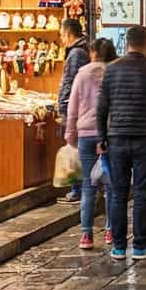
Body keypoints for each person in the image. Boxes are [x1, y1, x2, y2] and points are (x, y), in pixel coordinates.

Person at [96, 26, 146, 260]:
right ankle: (140, 245)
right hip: (144, 138)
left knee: (118, 193)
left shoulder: (111, 69)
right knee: (141, 193)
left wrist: (101, 137)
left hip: (116, 137)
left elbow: (102, 107)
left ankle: (118, 247)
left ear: (126, 43)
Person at [65, 37, 117, 249]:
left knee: (88, 186)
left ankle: (86, 235)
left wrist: (70, 133)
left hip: (85, 134)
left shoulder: (82, 73)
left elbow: (72, 106)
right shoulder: (113, 72)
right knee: (111, 185)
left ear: (93, 52)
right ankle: (110, 230)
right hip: (110, 133)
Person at [56, 19, 90, 204]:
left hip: (73, 108)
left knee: (75, 149)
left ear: (69, 34)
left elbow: (72, 82)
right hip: (77, 108)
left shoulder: (76, 53)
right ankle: (79, 189)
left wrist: (65, 104)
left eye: (62, 35)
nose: (61, 39)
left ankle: (78, 190)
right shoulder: (80, 50)